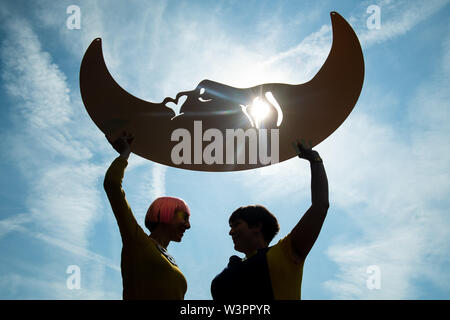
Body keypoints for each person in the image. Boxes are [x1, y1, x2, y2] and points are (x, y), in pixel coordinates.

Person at [211, 142, 329, 300]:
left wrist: (315, 160)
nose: (230, 232)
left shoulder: (285, 254)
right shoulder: (233, 265)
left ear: (257, 226)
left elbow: (320, 206)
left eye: (236, 225)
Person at [103, 132, 191, 299]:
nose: (188, 225)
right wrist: (125, 153)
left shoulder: (169, 258)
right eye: (184, 217)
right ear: (166, 213)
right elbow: (112, 184)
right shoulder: (137, 242)